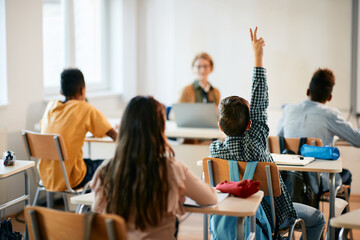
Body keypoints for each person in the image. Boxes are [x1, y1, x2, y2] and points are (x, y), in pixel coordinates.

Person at [209, 27, 325, 239]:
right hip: (270, 219)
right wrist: (258, 56)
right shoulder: (256, 143)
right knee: (318, 218)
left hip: (228, 218)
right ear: (250, 125)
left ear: (220, 126)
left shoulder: (214, 151)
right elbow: (259, 100)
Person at [90, 96, 217, 239]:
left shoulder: (106, 170)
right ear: (161, 129)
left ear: (124, 128)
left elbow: (97, 209)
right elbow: (210, 198)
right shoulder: (172, 169)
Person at [277, 68, 360, 192]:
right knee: (346, 175)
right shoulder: (330, 114)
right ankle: (337, 211)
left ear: (308, 91)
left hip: (288, 180)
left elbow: (279, 138)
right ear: (330, 97)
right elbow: (357, 140)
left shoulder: (288, 110)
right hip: (318, 182)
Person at [40, 68, 117, 191]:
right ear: (82, 89)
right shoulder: (85, 108)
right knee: (113, 166)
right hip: (71, 177)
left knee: (87, 161)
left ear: (61, 91)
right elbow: (114, 135)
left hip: (46, 176)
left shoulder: (51, 107)